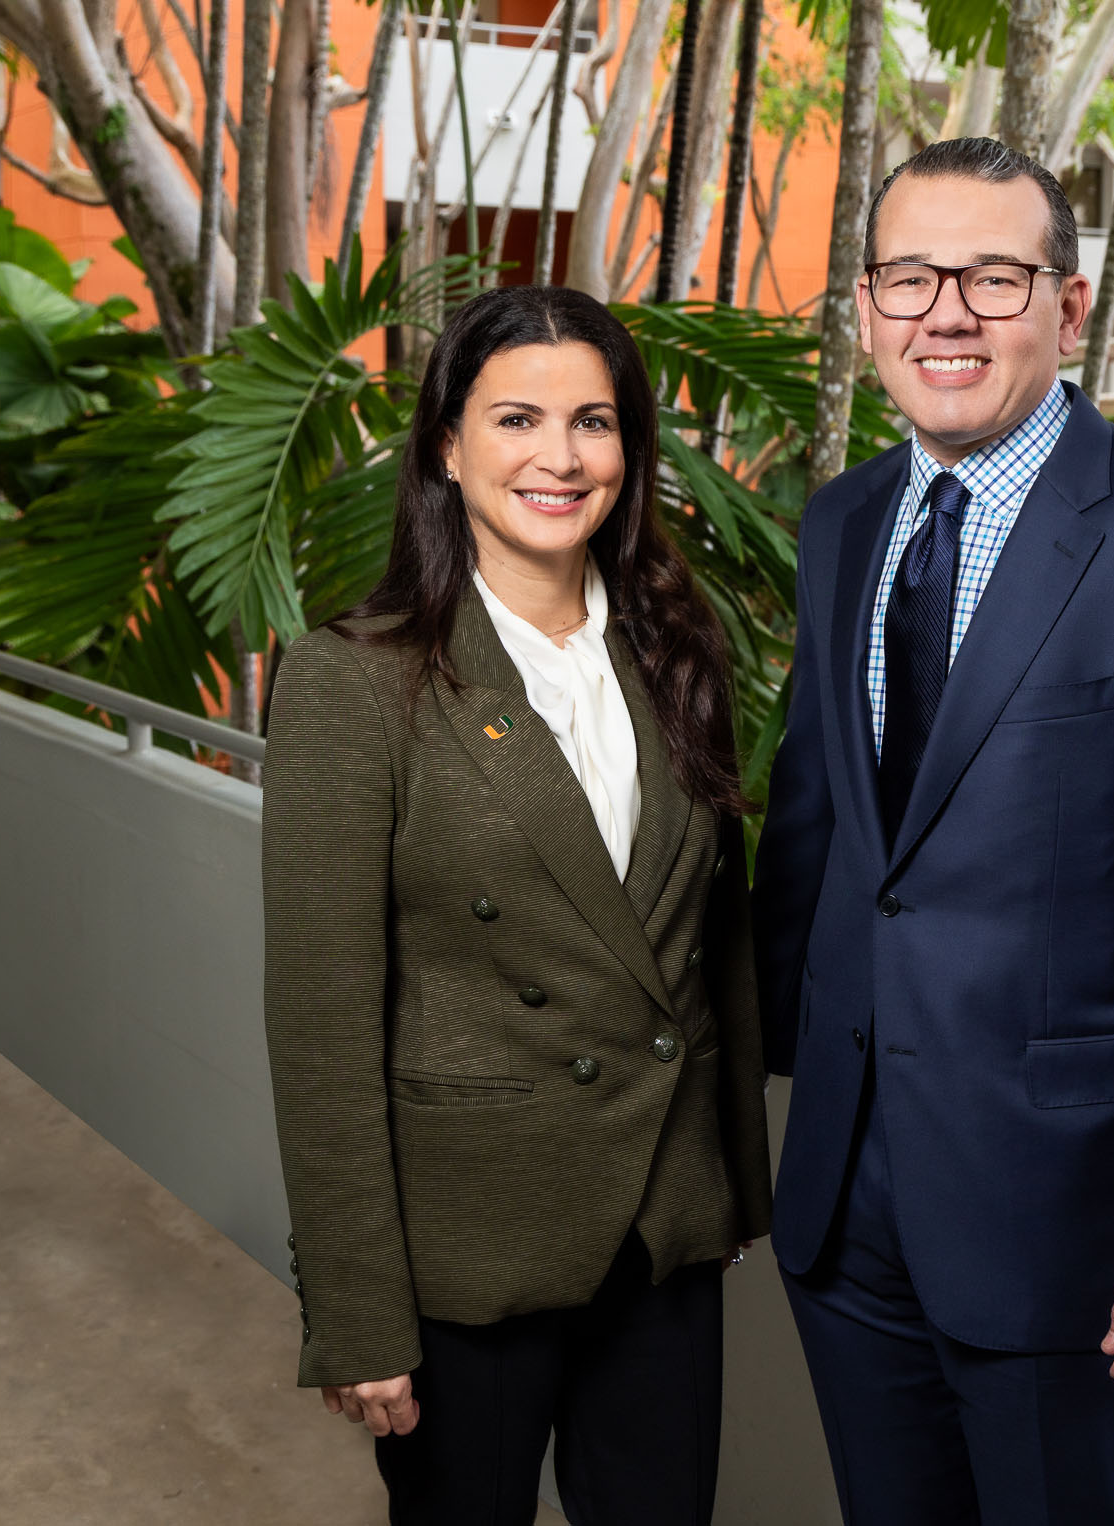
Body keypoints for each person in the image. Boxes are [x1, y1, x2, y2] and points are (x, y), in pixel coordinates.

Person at [751, 137, 1114, 1525]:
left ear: (1068, 311)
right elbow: (825, 835)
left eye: (993, 276)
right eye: (909, 276)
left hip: (1066, 1225)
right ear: (866, 306)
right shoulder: (842, 524)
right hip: (845, 1202)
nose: (945, 312)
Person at [261, 285, 772, 1526]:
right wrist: (356, 1309)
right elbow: (321, 1026)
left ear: (628, 449)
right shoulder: (355, 681)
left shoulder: (675, 649)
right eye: (517, 418)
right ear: (446, 443)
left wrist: (733, 1186)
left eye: (593, 421)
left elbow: (712, 941)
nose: (559, 456)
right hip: (467, 1247)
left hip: (659, 1229)